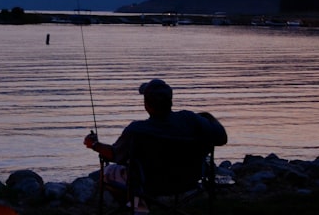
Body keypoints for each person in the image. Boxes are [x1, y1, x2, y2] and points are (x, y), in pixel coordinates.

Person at [83, 78, 227, 201]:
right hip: (188, 181)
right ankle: (144, 211)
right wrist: (207, 117)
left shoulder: (137, 130)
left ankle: (139, 213)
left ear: (146, 105)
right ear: (171, 101)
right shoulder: (190, 119)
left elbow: (115, 155)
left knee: (108, 172)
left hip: (150, 185)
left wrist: (94, 144)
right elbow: (221, 138)